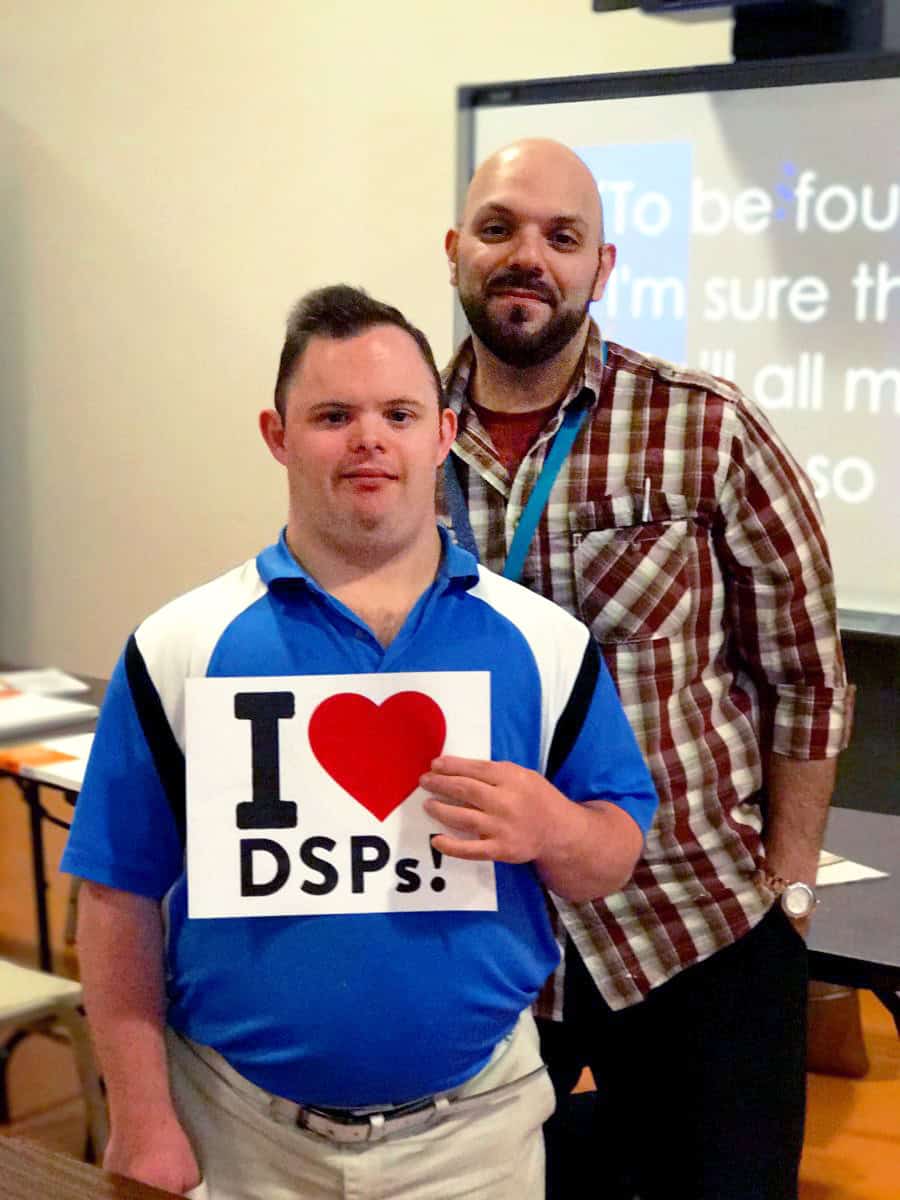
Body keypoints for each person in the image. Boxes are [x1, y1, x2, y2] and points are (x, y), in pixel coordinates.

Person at [62, 284, 658, 1200]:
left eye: (399, 413)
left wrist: (555, 830)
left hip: (477, 1139)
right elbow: (115, 897)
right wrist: (141, 1118)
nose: (369, 438)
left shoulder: (543, 643)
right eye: (333, 415)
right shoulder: (181, 647)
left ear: (443, 435)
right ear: (278, 436)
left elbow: (611, 856)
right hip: (235, 1129)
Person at [442, 139, 852, 1200]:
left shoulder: (706, 429)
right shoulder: (399, 444)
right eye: (499, 229)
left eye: (560, 237)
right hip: (476, 940)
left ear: (603, 267)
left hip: (691, 929)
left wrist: (791, 889)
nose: (528, 256)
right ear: (454, 252)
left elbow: (807, 673)